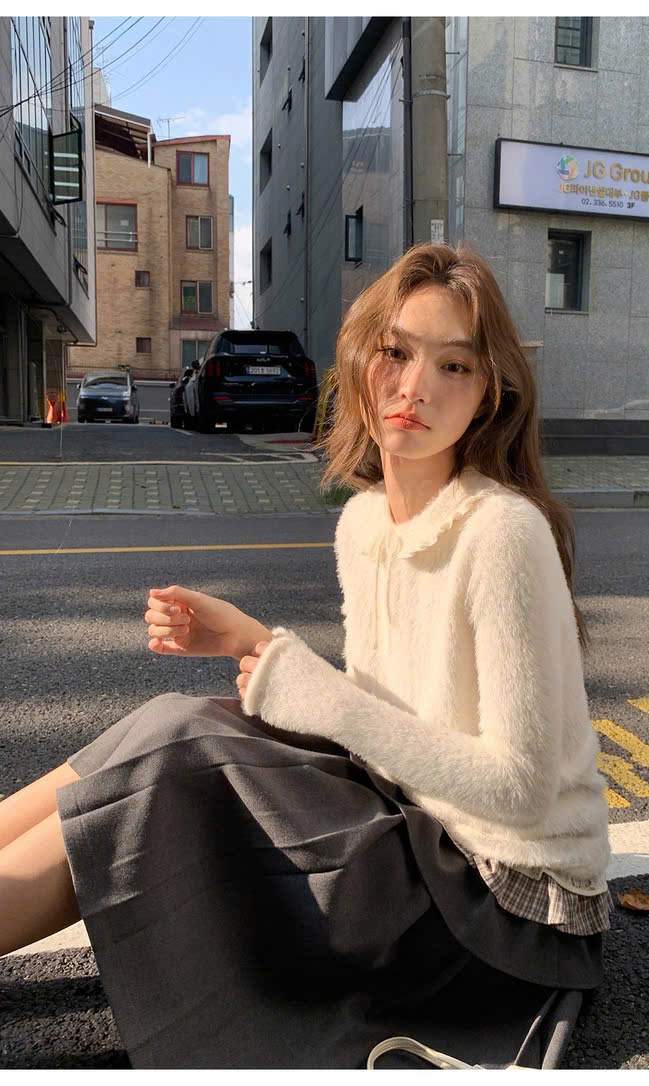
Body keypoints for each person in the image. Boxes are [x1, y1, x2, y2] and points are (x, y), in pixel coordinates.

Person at [0, 242, 611, 1070]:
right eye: (395, 352)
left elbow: (519, 789)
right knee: (173, 719)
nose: (415, 387)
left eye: (454, 366)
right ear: (359, 362)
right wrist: (253, 645)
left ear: (488, 393)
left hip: (505, 905)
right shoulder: (364, 523)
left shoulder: (502, 533)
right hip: (421, 830)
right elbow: (379, 722)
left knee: (181, 760)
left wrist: (302, 686)